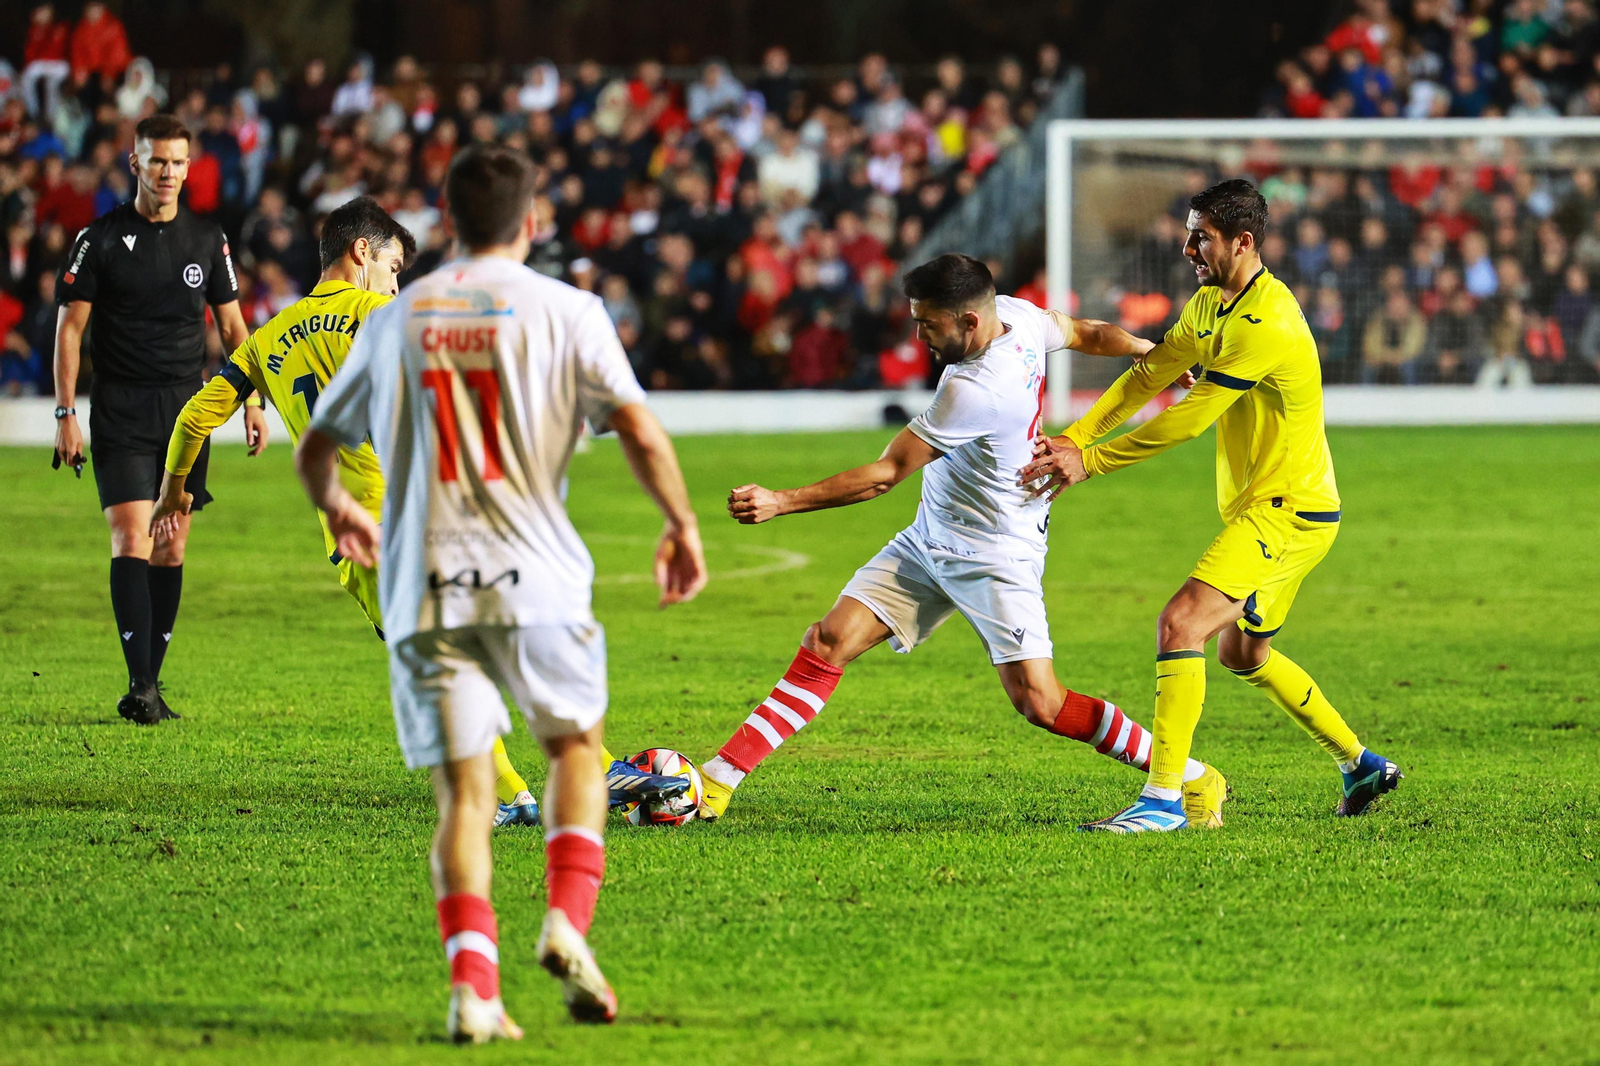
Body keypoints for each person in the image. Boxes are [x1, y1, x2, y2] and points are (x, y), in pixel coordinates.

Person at [294, 145, 707, 1037]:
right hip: (537, 575)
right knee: (572, 755)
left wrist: (336, 511)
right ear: (531, 224)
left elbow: (316, 447)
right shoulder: (569, 309)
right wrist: (680, 523)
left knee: (465, 794)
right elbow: (635, 423)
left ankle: (472, 991)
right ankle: (564, 919)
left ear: (446, 223)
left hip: (424, 579)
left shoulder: (396, 318)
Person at [153, 196, 689, 830]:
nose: (398, 279)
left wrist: (173, 494)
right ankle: (592, 766)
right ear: (362, 253)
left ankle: (506, 792)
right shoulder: (385, 314)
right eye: (395, 264)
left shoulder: (267, 338)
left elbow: (192, 418)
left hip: (352, 544)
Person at [696, 253, 1226, 826]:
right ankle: (718, 780)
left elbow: (883, 476)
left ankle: (1190, 776)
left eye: (928, 323)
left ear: (969, 322)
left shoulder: (976, 388)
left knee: (1041, 703)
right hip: (932, 537)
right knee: (827, 641)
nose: (919, 334)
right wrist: (1150, 353)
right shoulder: (1017, 317)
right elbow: (1087, 332)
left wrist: (781, 501)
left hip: (997, 553)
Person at [1023, 179, 1403, 833]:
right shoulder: (1208, 304)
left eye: (1201, 235)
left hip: (1287, 512)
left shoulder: (1268, 323)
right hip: (1273, 507)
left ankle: (1166, 799)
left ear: (1243, 241)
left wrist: (1094, 461)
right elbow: (1153, 374)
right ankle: (1361, 764)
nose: (1187, 245)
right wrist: (1076, 435)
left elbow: (1190, 420)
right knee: (1242, 655)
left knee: (1181, 624)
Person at [51, 114, 269, 726]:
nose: (168, 173)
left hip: (186, 414)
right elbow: (71, 332)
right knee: (132, 537)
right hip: (119, 407)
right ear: (135, 164)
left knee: (171, 550)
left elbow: (233, 330)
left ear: (188, 167)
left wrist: (252, 401)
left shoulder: (206, 240)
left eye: (177, 162)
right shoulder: (98, 238)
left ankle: (152, 682)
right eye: (156, 161)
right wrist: (66, 411)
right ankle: (140, 684)